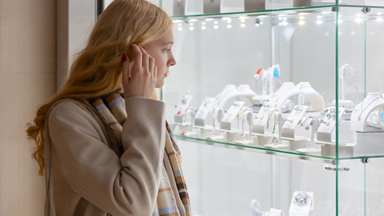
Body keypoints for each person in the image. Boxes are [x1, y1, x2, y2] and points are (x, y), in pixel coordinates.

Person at [26, 0, 191, 215]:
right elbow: (135, 204)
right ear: (133, 51)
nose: (173, 60)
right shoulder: (68, 116)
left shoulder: (131, 106)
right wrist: (142, 105)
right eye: (166, 49)